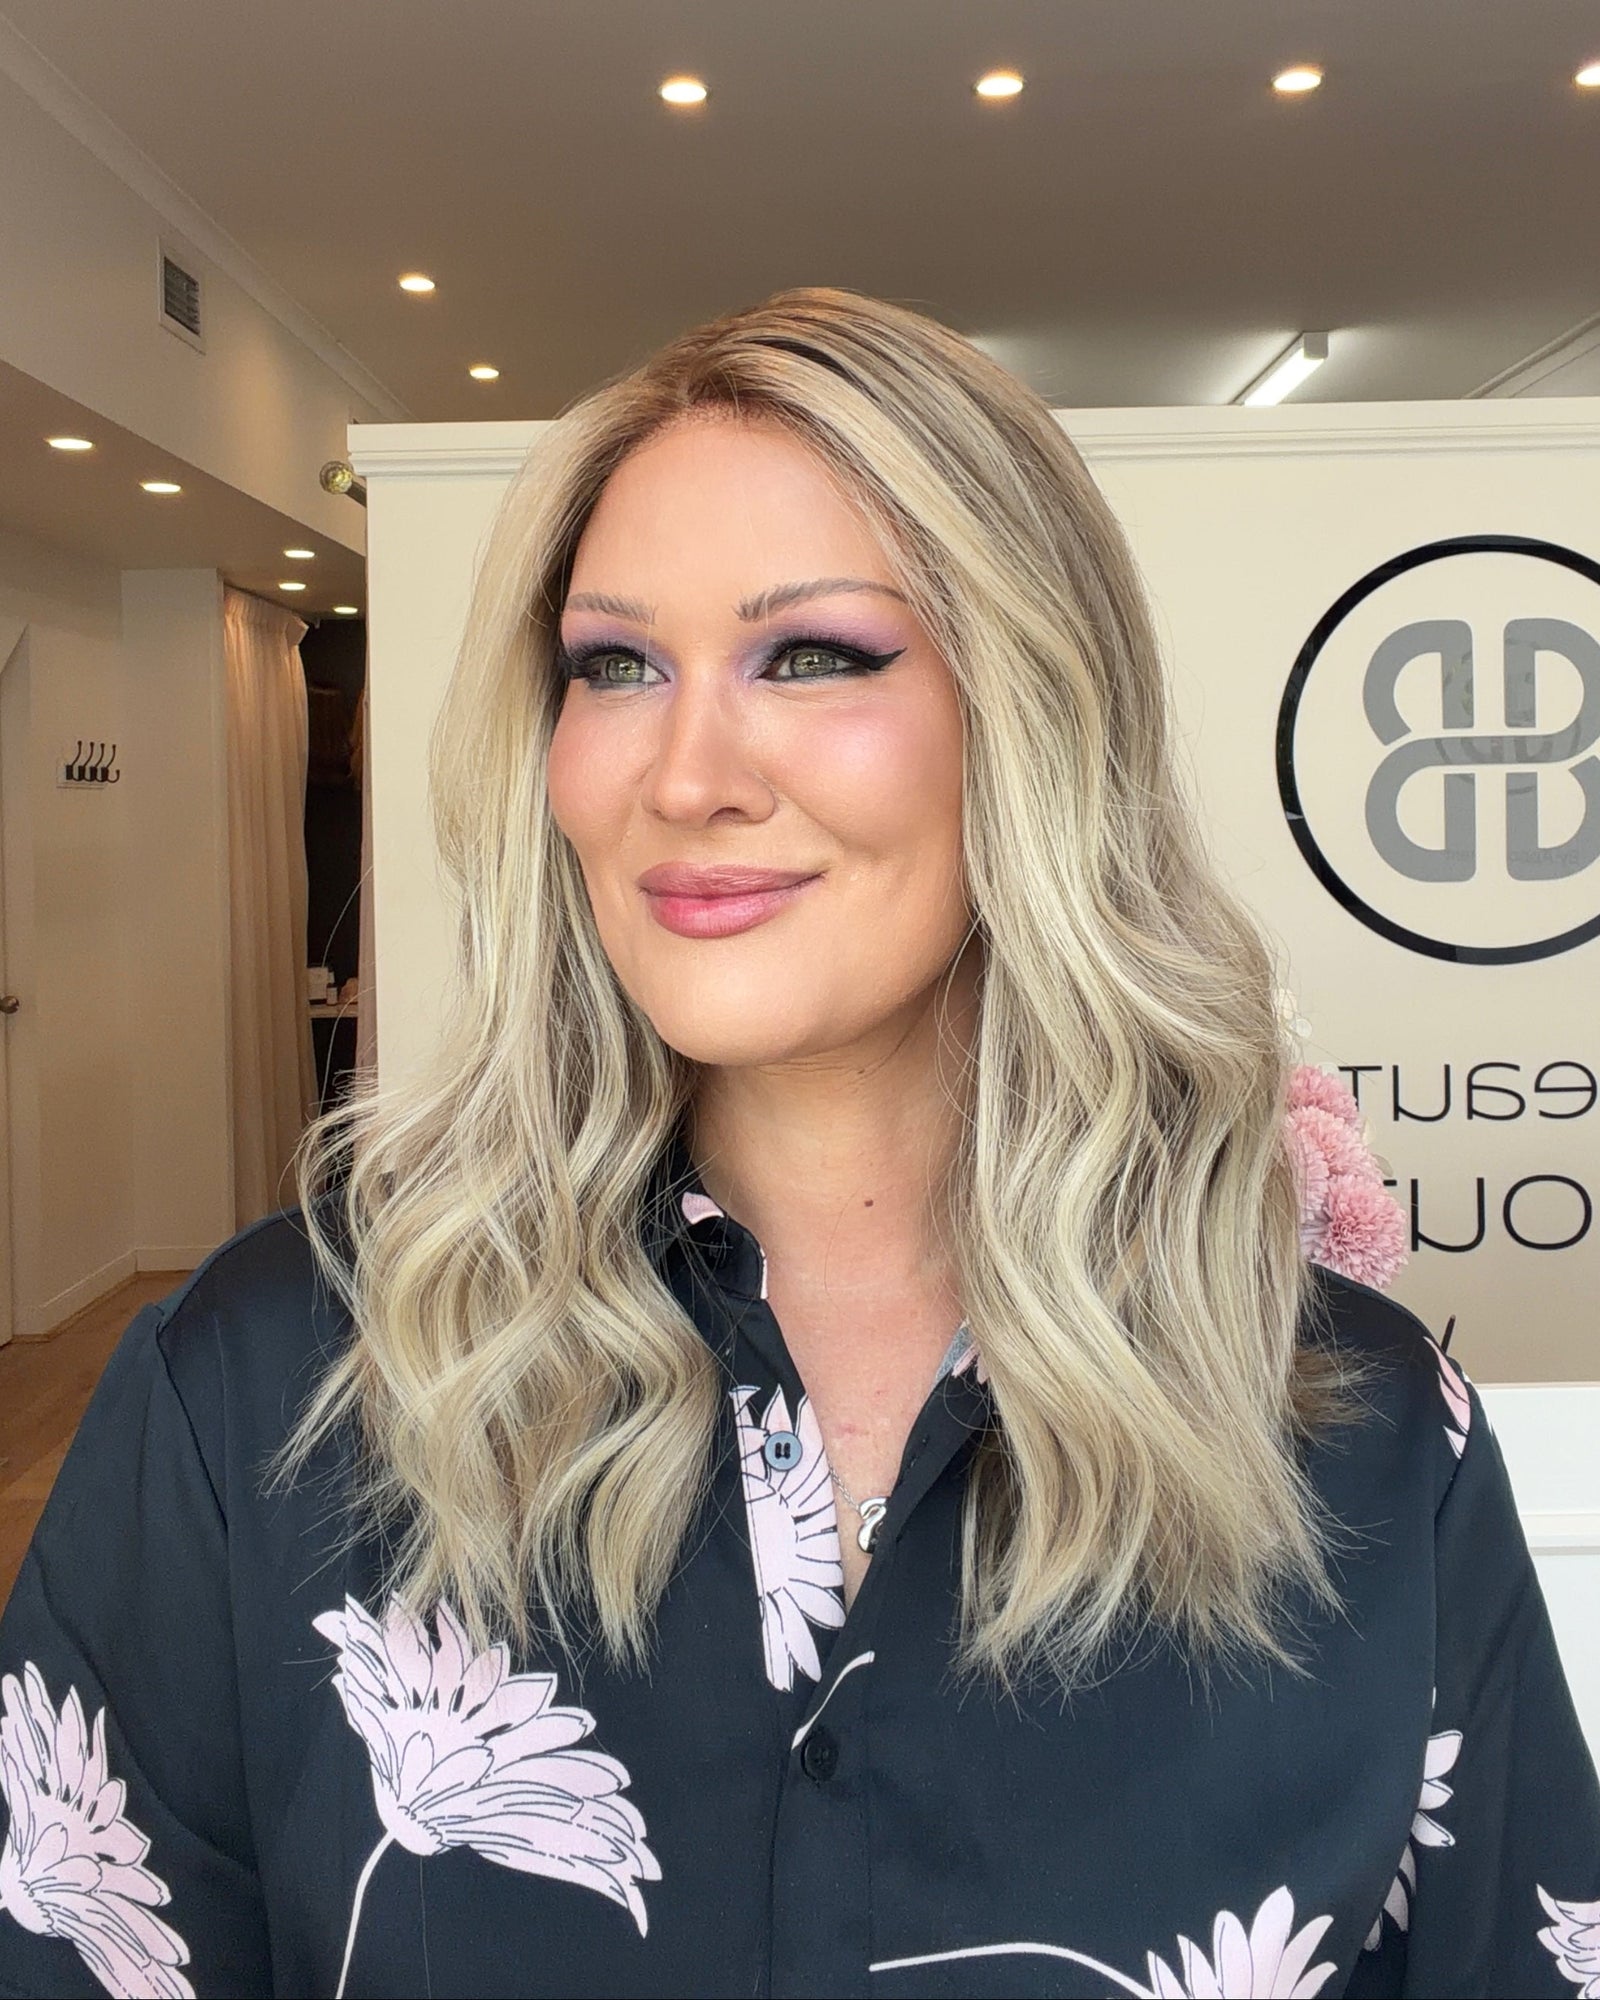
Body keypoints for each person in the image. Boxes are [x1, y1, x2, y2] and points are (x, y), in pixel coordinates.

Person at [1, 289, 1596, 2000]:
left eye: (814, 654)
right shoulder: (260, 1389)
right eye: (614, 666)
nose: (683, 774)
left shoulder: (1356, 1440)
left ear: (1038, 713)